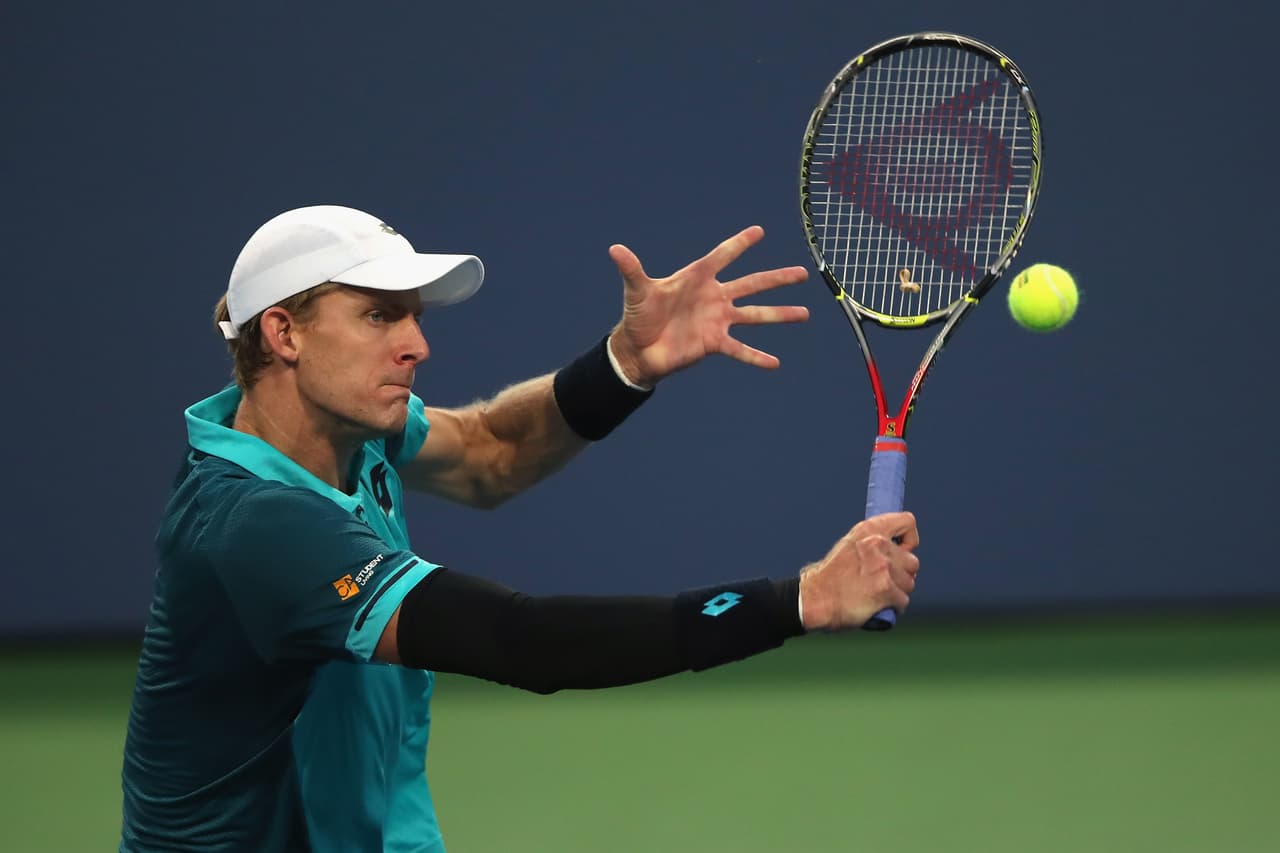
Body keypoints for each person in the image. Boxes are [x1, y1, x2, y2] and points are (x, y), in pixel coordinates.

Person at [119, 205, 921, 852]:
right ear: (283, 334)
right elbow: (524, 640)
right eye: (377, 316)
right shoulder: (256, 524)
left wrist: (625, 364)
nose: (416, 344)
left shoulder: (339, 429)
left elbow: (488, 452)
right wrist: (800, 600)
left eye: (412, 315)